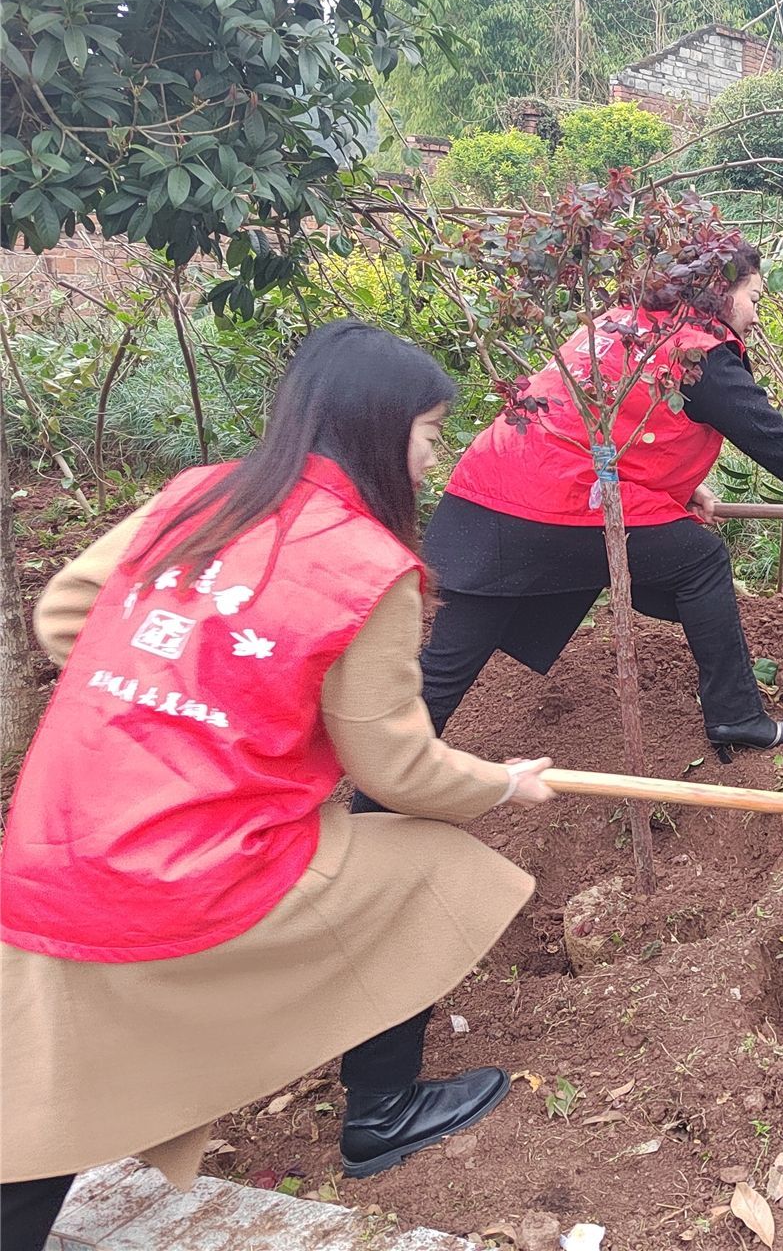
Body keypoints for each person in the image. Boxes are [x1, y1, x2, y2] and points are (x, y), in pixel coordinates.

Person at [0, 321, 557, 1251]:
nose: (432, 459)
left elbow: (66, 616)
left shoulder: (197, 496)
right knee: (432, 866)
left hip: (54, 850)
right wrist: (504, 784)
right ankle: (381, 1114)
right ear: (380, 432)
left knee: (46, 1097)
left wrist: (177, 696)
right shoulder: (367, 570)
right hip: (188, 876)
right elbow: (399, 770)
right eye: (427, 434)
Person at [410, 240, 783, 764]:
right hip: (556, 502)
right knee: (698, 560)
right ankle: (735, 714)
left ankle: (382, 786)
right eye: (753, 297)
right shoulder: (695, 353)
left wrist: (676, 489)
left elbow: (602, 422)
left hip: (483, 492)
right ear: (720, 294)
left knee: (448, 664)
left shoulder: (622, 323)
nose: (756, 315)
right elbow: (781, 446)